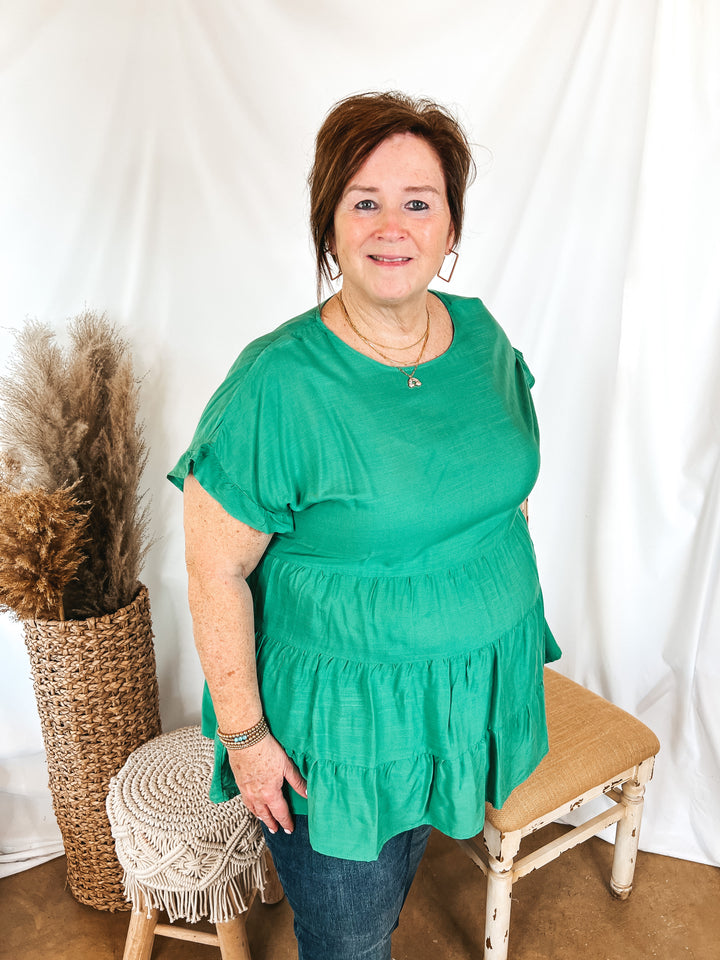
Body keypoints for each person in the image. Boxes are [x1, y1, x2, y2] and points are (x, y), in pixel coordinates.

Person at [168, 91, 561, 960]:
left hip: (456, 705)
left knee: (389, 898)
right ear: (329, 226)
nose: (393, 227)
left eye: (418, 202)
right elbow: (213, 569)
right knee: (350, 937)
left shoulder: (483, 339)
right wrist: (246, 738)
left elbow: (505, 485)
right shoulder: (276, 384)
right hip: (339, 737)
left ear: (451, 228)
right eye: (364, 202)